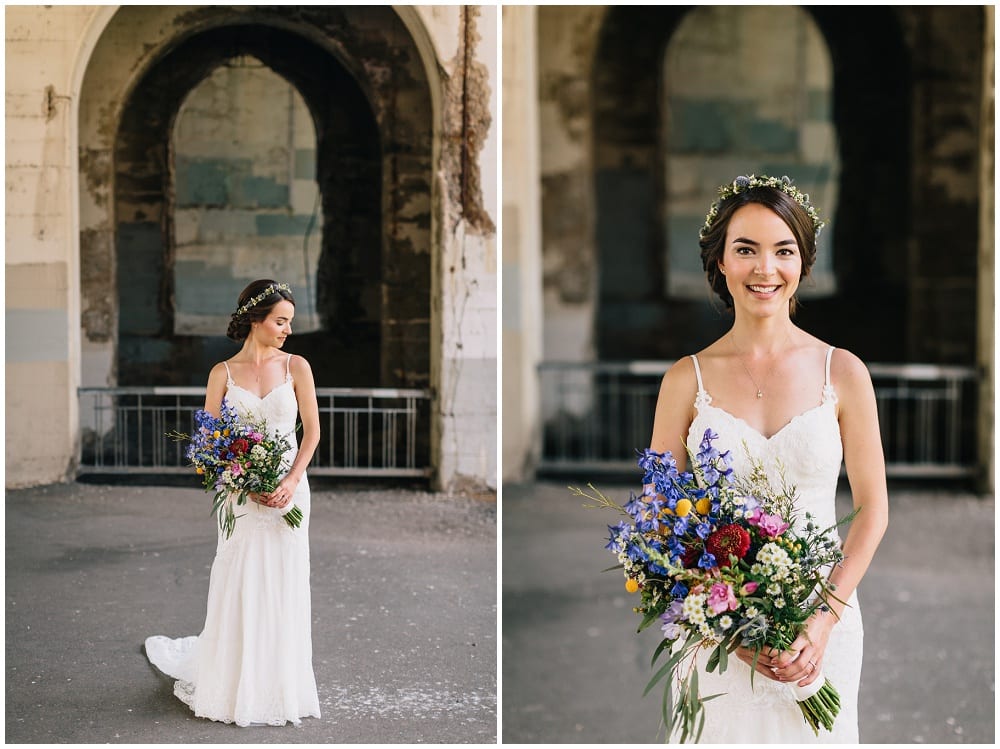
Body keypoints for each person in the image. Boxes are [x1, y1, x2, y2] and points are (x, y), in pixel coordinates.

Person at [649, 175, 889, 743]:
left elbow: (873, 510)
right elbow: (660, 517)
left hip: (817, 626)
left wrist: (823, 618)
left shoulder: (845, 373)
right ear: (721, 264)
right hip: (715, 636)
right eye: (746, 250)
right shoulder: (687, 379)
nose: (765, 269)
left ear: (802, 264)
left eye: (783, 250)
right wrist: (727, 621)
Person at [145, 279, 322, 727]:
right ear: (255, 319)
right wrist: (235, 476)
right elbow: (208, 442)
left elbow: (312, 433)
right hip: (240, 495)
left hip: (288, 491)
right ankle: (233, 683)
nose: (286, 330)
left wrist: (290, 479)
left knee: (283, 583)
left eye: (289, 323)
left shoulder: (296, 366)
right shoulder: (221, 373)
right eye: (280, 322)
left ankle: (279, 685)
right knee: (241, 578)